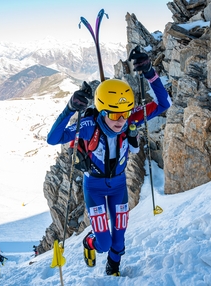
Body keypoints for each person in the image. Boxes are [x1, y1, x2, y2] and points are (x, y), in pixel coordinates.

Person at [46, 47, 172, 276]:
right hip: (93, 186)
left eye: (125, 113)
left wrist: (150, 73)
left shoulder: (128, 119)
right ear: (103, 110)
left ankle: (113, 268)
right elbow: (52, 139)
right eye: (114, 115)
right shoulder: (89, 126)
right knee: (103, 242)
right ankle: (90, 242)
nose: (121, 120)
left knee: (120, 236)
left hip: (118, 185)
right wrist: (69, 109)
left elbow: (164, 104)